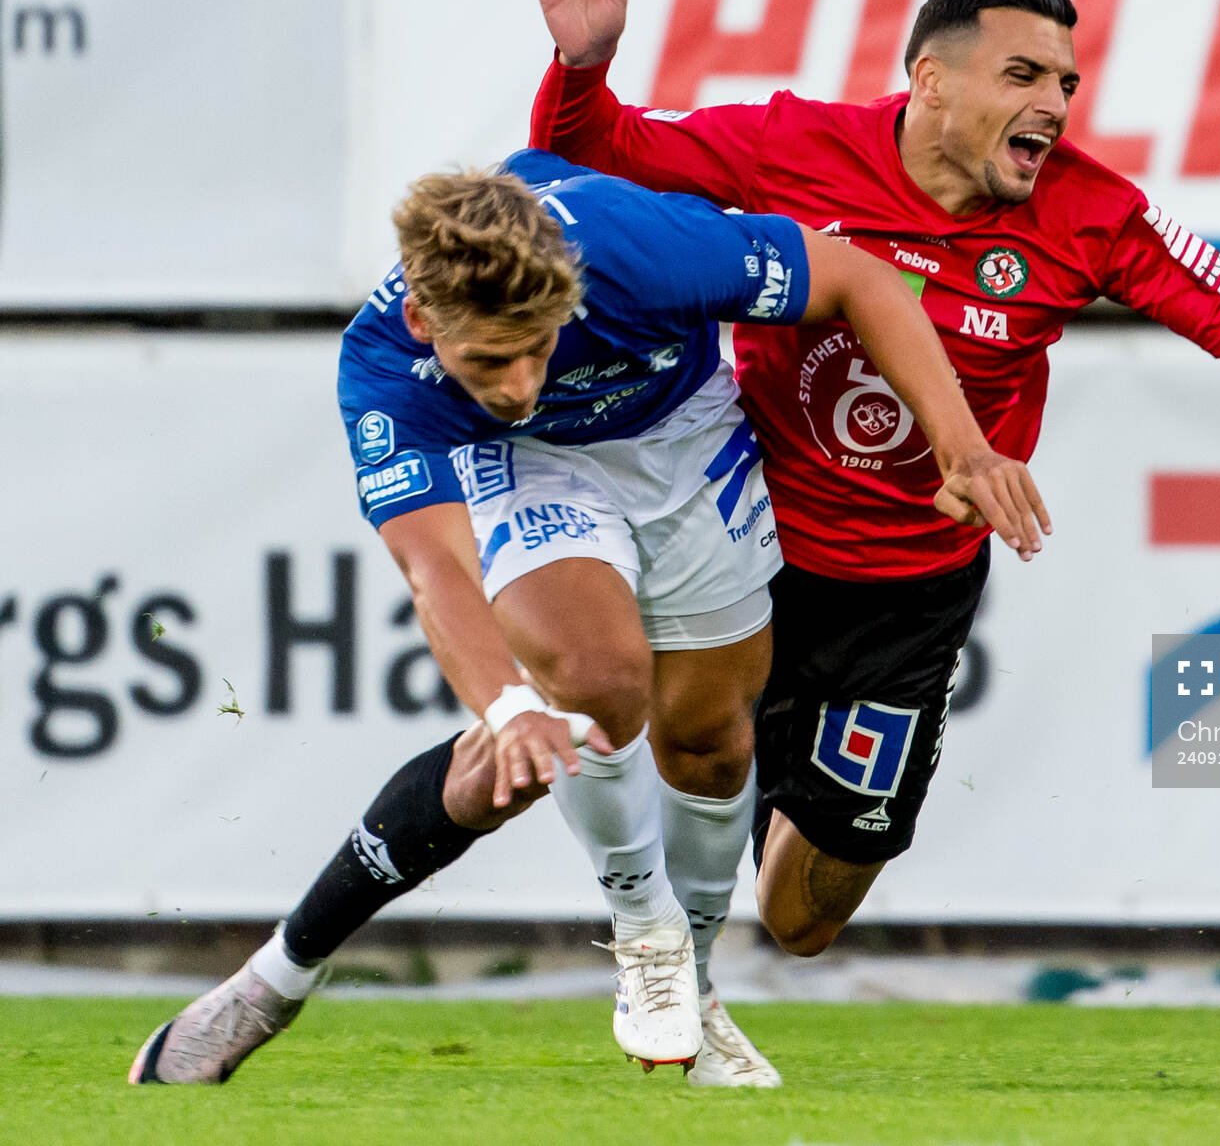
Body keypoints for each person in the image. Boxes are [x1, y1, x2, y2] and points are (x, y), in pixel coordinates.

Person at [527, 0, 1220, 1002]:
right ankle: (672, 966)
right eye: (1024, 74)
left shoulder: (1095, 215)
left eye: (1067, 83)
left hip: (908, 594)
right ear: (929, 80)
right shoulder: (793, 145)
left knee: (802, 919)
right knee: (693, 748)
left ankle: (761, 820)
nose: (1055, 104)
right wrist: (583, 65)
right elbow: (591, 154)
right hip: (747, 545)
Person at [128, 148, 1047, 1088]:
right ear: (422, 321)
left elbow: (858, 277)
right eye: (491, 357)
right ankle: (636, 935)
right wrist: (505, 705)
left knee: (713, 744)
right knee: (599, 688)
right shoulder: (387, 370)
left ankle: (689, 977)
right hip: (524, 462)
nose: (521, 377)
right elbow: (435, 565)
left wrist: (963, 449)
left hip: (681, 433)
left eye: (539, 345)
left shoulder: (630, 244)